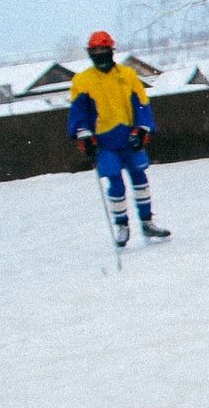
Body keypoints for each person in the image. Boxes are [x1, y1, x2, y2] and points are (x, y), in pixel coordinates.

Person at [68, 31, 171, 247]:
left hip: (129, 137)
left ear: (111, 51)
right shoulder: (82, 80)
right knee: (115, 182)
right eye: (95, 51)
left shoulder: (128, 75)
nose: (100, 54)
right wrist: (83, 134)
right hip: (104, 142)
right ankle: (122, 225)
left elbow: (142, 104)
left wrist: (143, 128)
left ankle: (147, 222)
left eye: (103, 50)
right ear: (90, 53)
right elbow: (79, 112)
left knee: (140, 178)